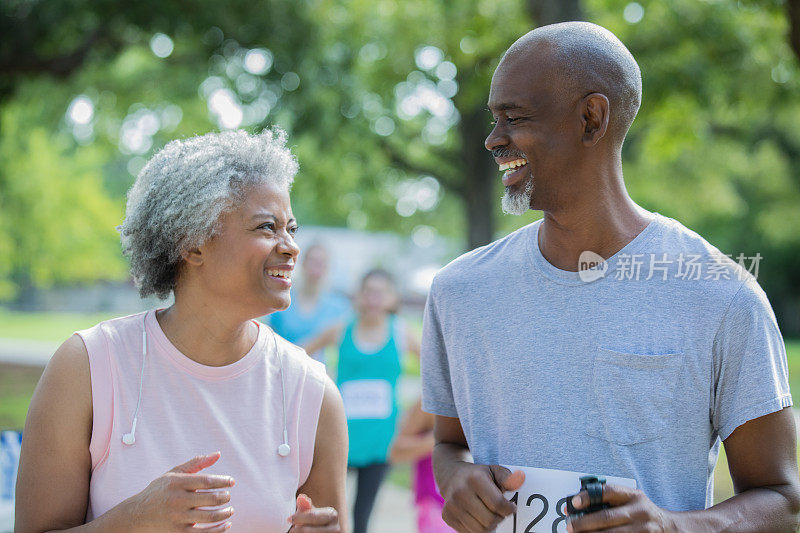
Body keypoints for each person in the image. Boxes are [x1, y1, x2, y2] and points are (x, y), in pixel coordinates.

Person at [421, 22, 800, 533]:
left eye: (514, 118)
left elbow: (781, 498)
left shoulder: (722, 296)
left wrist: (672, 527)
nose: (493, 139)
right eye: (494, 119)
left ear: (591, 118)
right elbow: (448, 444)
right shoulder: (457, 291)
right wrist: (456, 479)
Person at [15, 130, 348, 532]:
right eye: (266, 227)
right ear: (192, 244)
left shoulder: (311, 393)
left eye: (291, 229)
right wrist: (135, 520)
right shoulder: (88, 367)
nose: (290, 246)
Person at [305, 268, 420, 533]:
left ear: (392, 299)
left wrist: (415, 414)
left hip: (381, 441)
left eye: (380, 293)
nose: (373, 298)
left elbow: (437, 369)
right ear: (359, 296)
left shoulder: (402, 333)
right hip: (338, 439)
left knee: (362, 519)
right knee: (327, 514)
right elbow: (298, 355)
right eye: (368, 291)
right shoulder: (341, 330)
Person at [266, 243, 350, 365]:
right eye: (313, 261)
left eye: (321, 263)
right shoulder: (281, 300)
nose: (316, 267)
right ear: (303, 263)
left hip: (320, 376)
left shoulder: (339, 307)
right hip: (282, 370)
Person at [389, 398, 454, 533]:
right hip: (436, 507)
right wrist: (440, 437)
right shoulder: (429, 402)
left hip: (480, 504)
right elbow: (396, 451)